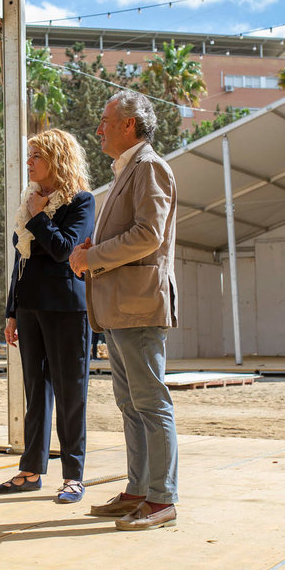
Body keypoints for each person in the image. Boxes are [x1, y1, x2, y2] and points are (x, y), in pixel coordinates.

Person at [69, 90, 179, 531]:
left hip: (137, 305)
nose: (99, 129)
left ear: (129, 124)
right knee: (132, 404)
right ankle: (139, 490)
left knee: (150, 403)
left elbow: (149, 235)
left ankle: (162, 499)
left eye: (106, 121)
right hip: (120, 308)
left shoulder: (149, 167)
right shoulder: (128, 170)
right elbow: (131, 232)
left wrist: (92, 258)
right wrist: (95, 246)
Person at [0, 128, 94, 504]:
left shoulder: (81, 202)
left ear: (56, 159)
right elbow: (24, 260)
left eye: (36, 155)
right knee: (36, 392)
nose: (29, 162)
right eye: (29, 154)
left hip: (67, 309)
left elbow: (64, 250)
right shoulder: (30, 202)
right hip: (30, 307)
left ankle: (74, 477)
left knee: (71, 395)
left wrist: (37, 217)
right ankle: (30, 470)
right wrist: (12, 312)